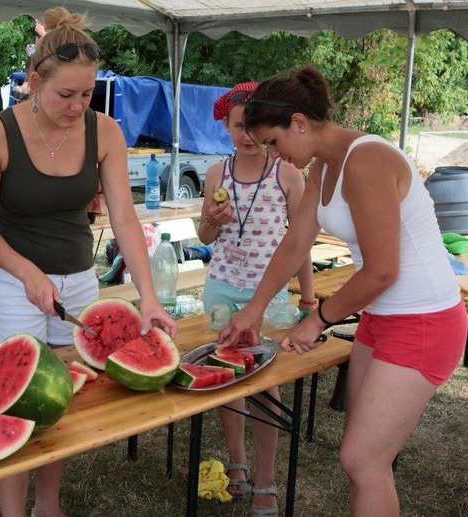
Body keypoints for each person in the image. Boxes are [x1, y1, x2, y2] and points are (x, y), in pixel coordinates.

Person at [218, 67, 467, 517]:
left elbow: (382, 271)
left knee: (362, 459)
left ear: (298, 122)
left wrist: (318, 318)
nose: (273, 155)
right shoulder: (325, 166)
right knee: (363, 462)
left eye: (273, 142)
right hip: (382, 320)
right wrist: (254, 310)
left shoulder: (366, 159)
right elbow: (297, 241)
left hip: (425, 321)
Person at [0, 7, 177, 517]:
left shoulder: (105, 132)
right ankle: (12, 511)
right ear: (35, 82)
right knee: (11, 400)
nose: (77, 105)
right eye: (66, 94)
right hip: (15, 282)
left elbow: (125, 220)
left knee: (59, 398)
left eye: (87, 94)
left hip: (80, 284)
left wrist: (147, 296)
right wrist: (29, 274)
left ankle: (49, 505)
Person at [199, 81, 316, 515]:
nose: (246, 135)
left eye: (252, 126)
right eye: (237, 126)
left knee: (267, 387)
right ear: (226, 126)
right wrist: (211, 218)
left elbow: (300, 241)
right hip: (220, 289)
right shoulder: (217, 174)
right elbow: (204, 236)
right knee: (228, 379)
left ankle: (266, 480)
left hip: (267, 297)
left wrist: (307, 298)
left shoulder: (287, 173)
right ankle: (238, 463)